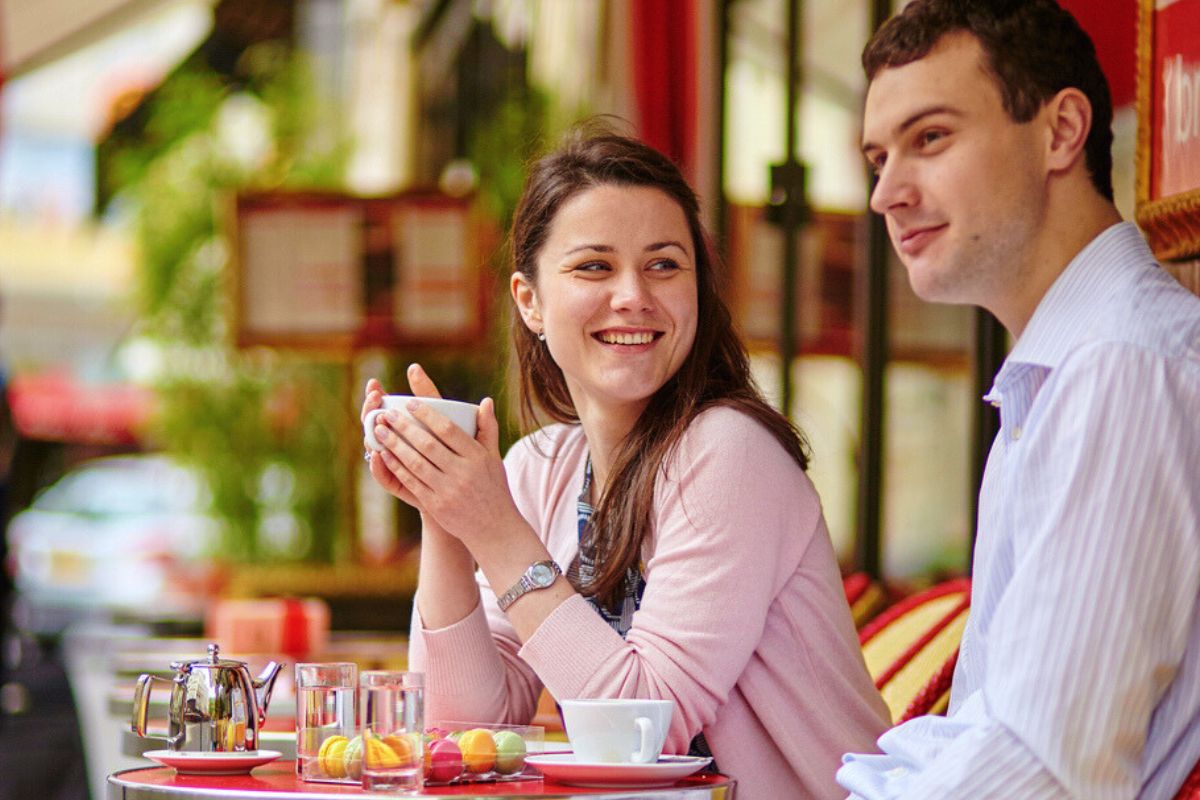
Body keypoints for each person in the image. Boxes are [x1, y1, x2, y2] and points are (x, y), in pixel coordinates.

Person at [362, 128, 890, 798]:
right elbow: (465, 734)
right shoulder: (541, 468)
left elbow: (645, 730)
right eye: (594, 267)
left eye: (665, 265)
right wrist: (445, 513)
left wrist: (493, 528)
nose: (634, 295)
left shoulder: (727, 454)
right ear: (530, 302)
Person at [839, 1, 1200, 798]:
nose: (886, 193)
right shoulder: (1061, 372)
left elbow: (1043, 768)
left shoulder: (1121, 366)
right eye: (877, 158)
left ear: (1061, 132)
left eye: (929, 139)